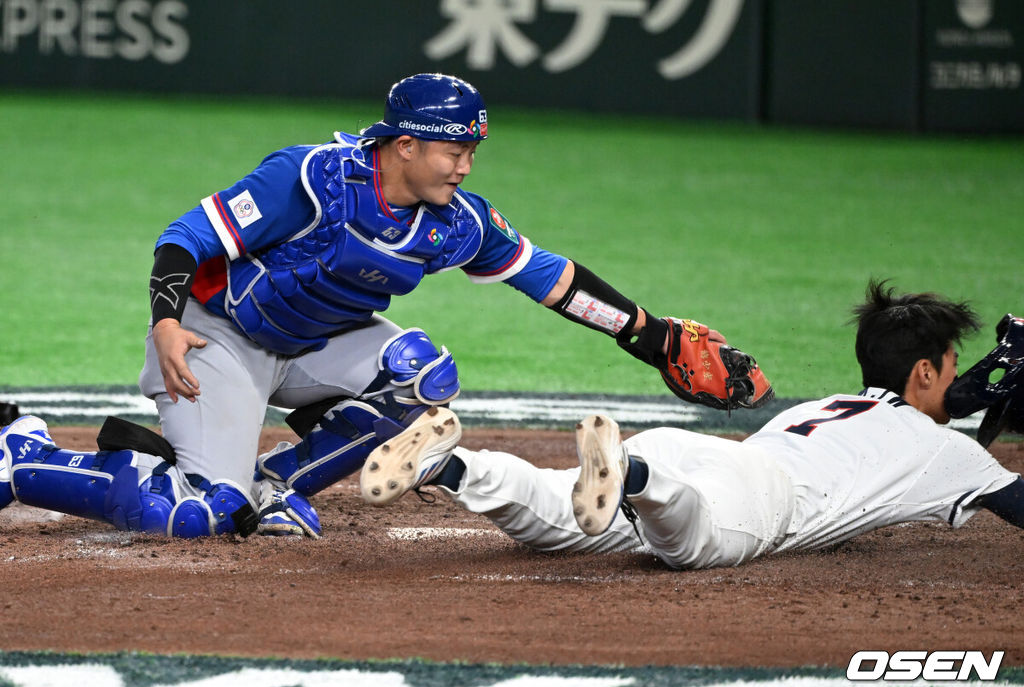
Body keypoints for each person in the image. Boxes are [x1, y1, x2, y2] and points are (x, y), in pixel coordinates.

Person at [0, 73, 767, 540]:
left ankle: (273, 484)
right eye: (453, 150)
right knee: (194, 515)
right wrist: (167, 321)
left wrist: (650, 335)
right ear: (404, 145)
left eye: (472, 151)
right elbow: (187, 235)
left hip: (312, 348)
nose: (465, 165)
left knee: (423, 374)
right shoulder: (310, 178)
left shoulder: (457, 221)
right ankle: (24, 454)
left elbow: (553, 278)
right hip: (215, 341)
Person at [357, 281, 1024, 569]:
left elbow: (922, 404)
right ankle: (630, 476)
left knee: (556, 513)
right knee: (694, 543)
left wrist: (963, 394)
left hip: (700, 452)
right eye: (951, 366)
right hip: (753, 495)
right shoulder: (943, 451)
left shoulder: (826, 406)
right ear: (925, 373)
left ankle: (452, 464)